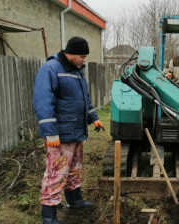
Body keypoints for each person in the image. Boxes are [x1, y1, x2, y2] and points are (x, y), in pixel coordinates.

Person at [33, 36, 104, 224]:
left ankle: (75, 201)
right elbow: (43, 101)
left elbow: (84, 99)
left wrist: (94, 118)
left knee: (74, 169)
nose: (84, 60)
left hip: (76, 132)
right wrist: (50, 132)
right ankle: (49, 216)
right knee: (56, 173)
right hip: (60, 135)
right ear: (70, 53)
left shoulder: (78, 71)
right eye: (82, 56)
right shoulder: (50, 69)